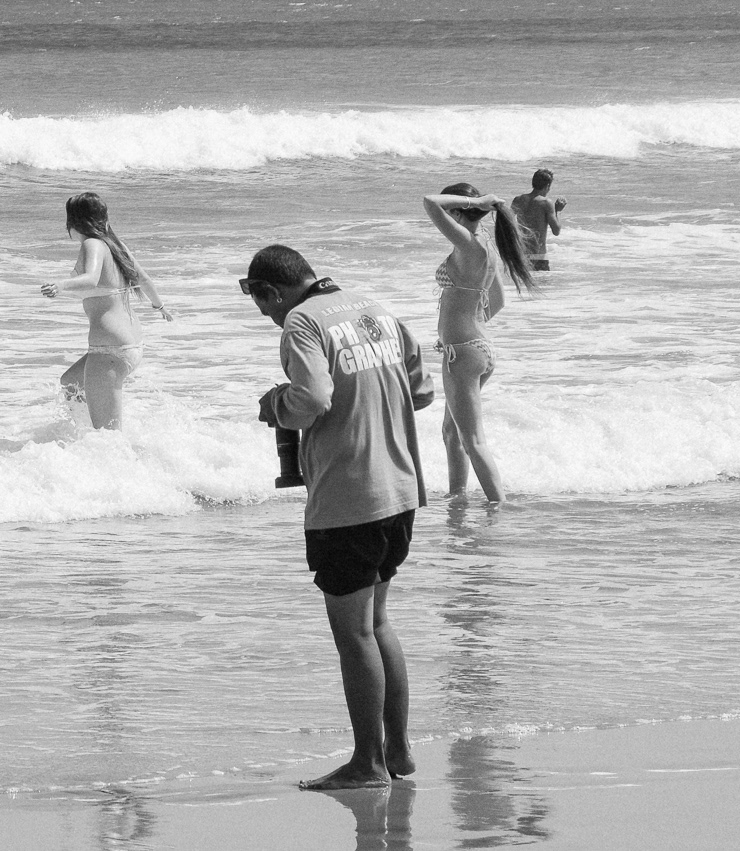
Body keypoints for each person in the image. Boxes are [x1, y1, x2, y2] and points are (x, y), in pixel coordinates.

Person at [245, 244, 434, 790]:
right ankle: (397, 750)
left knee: (353, 635)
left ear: (272, 291)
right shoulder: (373, 307)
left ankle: (367, 764)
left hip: (348, 498)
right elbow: (420, 390)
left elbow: (311, 399)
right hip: (399, 489)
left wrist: (275, 404)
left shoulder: (302, 323)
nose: (268, 317)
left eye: (264, 306)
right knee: (376, 623)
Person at [424, 183, 535, 504]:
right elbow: (497, 301)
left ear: (458, 212)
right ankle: (456, 495)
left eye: (451, 212)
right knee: (451, 433)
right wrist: (455, 331)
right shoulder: (484, 244)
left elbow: (430, 201)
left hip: (464, 352)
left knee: (473, 440)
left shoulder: (468, 243)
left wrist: (479, 201)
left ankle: (498, 506)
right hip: (476, 347)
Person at [40, 192, 172, 429]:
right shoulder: (115, 244)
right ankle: (81, 441)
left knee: (109, 435)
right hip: (130, 344)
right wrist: (159, 306)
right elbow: (144, 278)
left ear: (73, 221)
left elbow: (90, 279)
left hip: (109, 349)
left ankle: (112, 457)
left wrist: (60, 285)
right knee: (71, 382)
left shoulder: (92, 244)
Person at [510, 168, 565, 271]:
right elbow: (556, 231)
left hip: (522, 255)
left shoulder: (518, 200)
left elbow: (507, 223)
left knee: (522, 286)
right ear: (548, 186)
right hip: (539, 257)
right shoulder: (546, 203)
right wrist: (558, 211)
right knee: (543, 286)